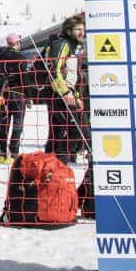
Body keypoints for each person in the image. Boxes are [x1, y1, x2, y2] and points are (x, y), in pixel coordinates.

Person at [43, 13, 86, 164]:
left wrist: (76, 96)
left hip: (68, 95)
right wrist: (66, 92)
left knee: (59, 133)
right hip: (60, 95)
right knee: (73, 131)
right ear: (69, 31)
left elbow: (73, 76)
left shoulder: (73, 47)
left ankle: (53, 166)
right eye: (77, 29)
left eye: (83, 29)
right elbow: (53, 70)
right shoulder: (62, 44)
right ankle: (58, 165)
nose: (82, 32)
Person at [0, 33, 27, 161]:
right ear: (16, 43)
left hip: (2, 94)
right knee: (18, 124)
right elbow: (24, 78)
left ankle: (2, 154)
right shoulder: (21, 57)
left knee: (3, 124)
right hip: (18, 94)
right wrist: (30, 96)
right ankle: (14, 152)